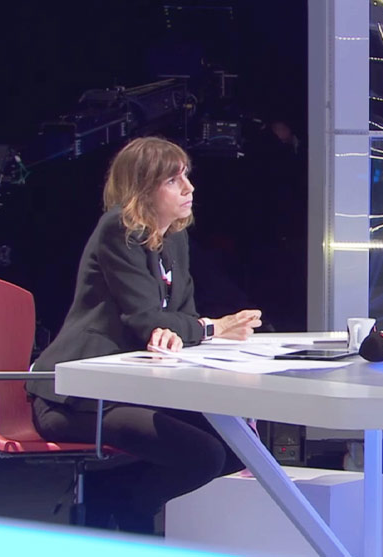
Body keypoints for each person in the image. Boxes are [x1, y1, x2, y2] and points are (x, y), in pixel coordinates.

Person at [27, 136, 263, 534]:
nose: (188, 187)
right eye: (173, 180)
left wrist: (188, 330)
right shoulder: (118, 229)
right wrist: (212, 327)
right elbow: (144, 317)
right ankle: (128, 510)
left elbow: (179, 316)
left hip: (127, 390)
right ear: (143, 189)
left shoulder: (174, 237)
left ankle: (114, 496)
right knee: (203, 453)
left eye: (186, 176)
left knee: (240, 445)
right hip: (75, 398)